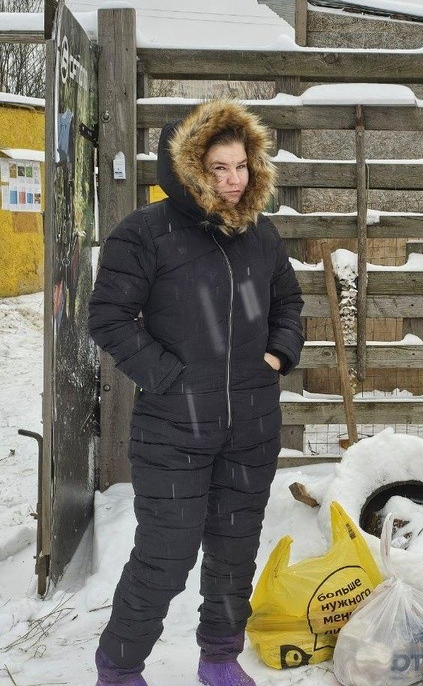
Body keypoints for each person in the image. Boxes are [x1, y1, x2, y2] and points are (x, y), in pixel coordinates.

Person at [88, 100, 304, 686]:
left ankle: (219, 657)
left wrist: (277, 354)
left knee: (234, 556)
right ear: (189, 169)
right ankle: (119, 665)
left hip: (251, 426)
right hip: (172, 431)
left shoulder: (261, 233)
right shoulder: (144, 233)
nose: (233, 180)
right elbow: (108, 317)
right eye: (218, 168)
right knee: (166, 556)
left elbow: (288, 303)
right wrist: (170, 378)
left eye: (241, 166)